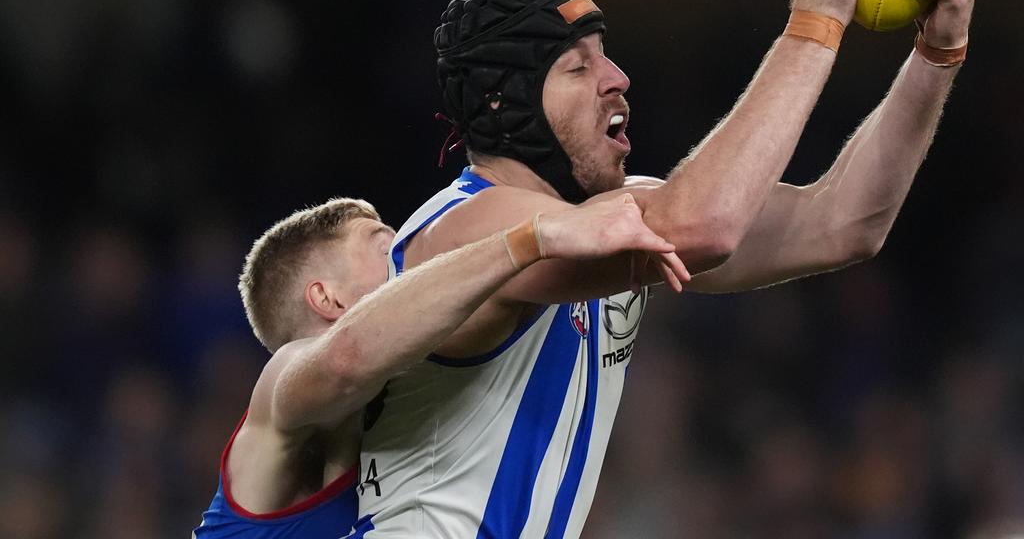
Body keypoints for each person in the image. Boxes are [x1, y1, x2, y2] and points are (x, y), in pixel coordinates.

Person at [348, 0, 984, 537]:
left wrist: (938, 53)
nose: (617, 79)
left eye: (607, 55)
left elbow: (844, 224)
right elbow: (705, 225)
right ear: (509, 105)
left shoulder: (617, 216)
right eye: (577, 66)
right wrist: (816, 19)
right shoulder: (467, 228)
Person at [192, 193, 687, 537]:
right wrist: (532, 238)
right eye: (386, 247)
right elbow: (346, 357)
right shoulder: (284, 378)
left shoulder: (393, 419)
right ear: (327, 297)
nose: (410, 263)